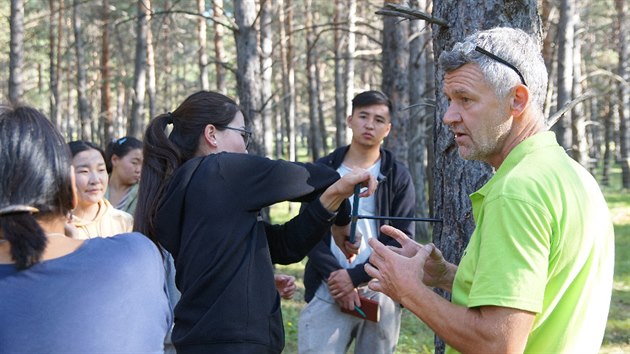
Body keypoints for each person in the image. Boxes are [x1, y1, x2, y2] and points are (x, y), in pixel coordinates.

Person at [365, 27, 615, 353]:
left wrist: (408, 289)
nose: (449, 116)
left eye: (465, 100)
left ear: (517, 99)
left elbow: (498, 343)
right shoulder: (573, 176)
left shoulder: (517, 192)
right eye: (450, 100)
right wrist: (446, 276)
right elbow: (531, 299)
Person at [134, 90, 377, 354]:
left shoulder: (182, 188)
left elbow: (285, 247)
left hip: (202, 340)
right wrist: (342, 224)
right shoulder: (222, 170)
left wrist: (330, 205)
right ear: (212, 134)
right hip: (235, 343)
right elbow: (321, 177)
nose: (246, 147)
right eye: (242, 134)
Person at [0, 105, 171, 352]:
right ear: (71, 189)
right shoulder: (137, 255)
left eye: (100, 170)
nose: (95, 179)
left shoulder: (123, 225)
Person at [298, 90, 416, 354]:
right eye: (363, 116)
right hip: (328, 285)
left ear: (387, 129)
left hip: (380, 286)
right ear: (350, 120)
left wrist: (355, 276)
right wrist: (337, 277)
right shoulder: (322, 170)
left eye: (378, 119)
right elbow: (306, 230)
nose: (369, 125)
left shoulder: (397, 176)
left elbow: (401, 238)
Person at [68, 140, 133, 239]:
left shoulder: (124, 222)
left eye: (101, 170)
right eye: (84, 171)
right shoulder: (54, 227)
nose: (95, 180)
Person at [104, 136, 143, 214]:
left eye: (143, 165)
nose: (139, 170)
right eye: (134, 163)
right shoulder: (98, 187)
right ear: (115, 160)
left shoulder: (143, 193)